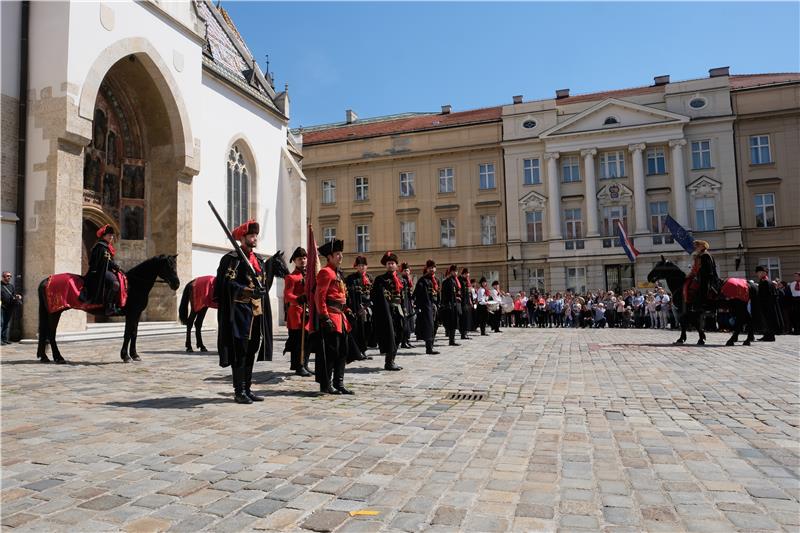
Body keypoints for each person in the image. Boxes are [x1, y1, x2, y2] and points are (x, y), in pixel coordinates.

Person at [215, 220, 270, 404]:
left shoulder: (258, 260)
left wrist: (262, 290)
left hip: (256, 311)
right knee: (240, 351)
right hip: (239, 312)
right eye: (251, 235)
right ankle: (239, 391)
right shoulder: (232, 259)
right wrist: (247, 290)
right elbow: (226, 284)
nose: (255, 238)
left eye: (255, 235)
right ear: (242, 238)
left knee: (252, 349)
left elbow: (263, 281)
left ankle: (247, 388)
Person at [313, 239, 354, 394]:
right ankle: (326, 384)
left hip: (341, 317)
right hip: (331, 317)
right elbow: (320, 297)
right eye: (337, 254)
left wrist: (347, 309)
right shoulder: (325, 272)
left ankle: (339, 382)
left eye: (340, 254)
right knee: (331, 353)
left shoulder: (338, 273)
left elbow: (342, 295)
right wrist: (324, 317)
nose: (340, 256)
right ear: (329, 257)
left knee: (342, 352)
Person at [370, 251, 404, 371]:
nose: (390, 265)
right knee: (390, 336)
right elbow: (375, 296)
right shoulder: (380, 279)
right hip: (386, 312)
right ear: (386, 265)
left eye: (392, 263)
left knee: (399, 334)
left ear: (396, 265)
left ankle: (392, 360)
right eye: (388, 263)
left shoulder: (400, 280)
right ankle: (389, 362)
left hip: (398, 311)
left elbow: (402, 296)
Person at [80, 224, 121, 315]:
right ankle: (109, 306)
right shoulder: (100, 247)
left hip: (105, 271)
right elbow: (102, 262)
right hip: (98, 272)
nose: (111, 237)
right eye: (109, 235)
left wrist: (115, 267)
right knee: (115, 284)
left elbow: (108, 261)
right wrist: (114, 266)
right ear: (104, 236)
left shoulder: (106, 247)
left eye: (112, 235)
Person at [283, 247, 312, 377]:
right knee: (297, 340)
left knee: (307, 340)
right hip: (296, 313)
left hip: (308, 312)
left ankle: (305, 364)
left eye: (304, 258)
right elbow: (287, 295)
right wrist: (298, 299)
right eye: (300, 259)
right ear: (294, 261)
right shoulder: (291, 277)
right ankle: (298, 366)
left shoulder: (310, 276)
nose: (303, 261)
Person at [345, 256, 374, 358]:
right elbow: (348, 295)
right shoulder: (350, 278)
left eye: (363, 265)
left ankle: (364, 349)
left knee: (367, 329)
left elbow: (372, 294)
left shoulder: (370, 278)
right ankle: (357, 352)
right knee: (357, 330)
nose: (361, 267)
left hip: (368, 308)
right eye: (359, 266)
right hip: (356, 308)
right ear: (356, 267)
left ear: (366, 267)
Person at [413, 260, 440, 354]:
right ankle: (429, 348)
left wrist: (438, 304)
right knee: (429, 327)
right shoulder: (423, 280)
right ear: (427, 269)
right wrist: (419, 305)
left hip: (435, 305)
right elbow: (417, 293)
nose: (432, 269)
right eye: (430, 268)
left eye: (433, 267)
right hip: (426, 306)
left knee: (435, 325)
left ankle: (431, 345)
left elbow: (438, 293)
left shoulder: (436, 280)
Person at [754, 265, 779, 342]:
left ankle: (770, 336)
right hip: (765, 305)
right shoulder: (764, 281)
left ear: (764, 273)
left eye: (758, 273)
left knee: (768, 320)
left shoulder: (766, 282)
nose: (757, 274)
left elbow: (768, 295)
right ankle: (766, 335)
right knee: (766, 320)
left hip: (767, 305)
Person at [440, 265, 462, 346]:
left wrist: (457, 296)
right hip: (449, 305)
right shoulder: (447, 281)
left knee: (454, 323)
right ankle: (451, 340)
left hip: (455, 304)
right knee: (450, 323)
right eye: (454, 271)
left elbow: (456, 292)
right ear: (451, 272)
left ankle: (452, 339)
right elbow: (445, 294)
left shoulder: (455, 281)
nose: (456, 273)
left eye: (456, 271)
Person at [1, 272, 22, 345]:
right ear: (3, 277)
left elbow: (13, 295)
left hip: (9, 307)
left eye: (10, 276)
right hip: (1, 307)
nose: (9, 277)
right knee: (1, 323)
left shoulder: (11, 286)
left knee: (6, 324)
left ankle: (4, 339)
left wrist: (17, 296)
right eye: (7, 276)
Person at [399, 263, 415, 348]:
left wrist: (412, 301)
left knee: (409, 322)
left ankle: (407, 340)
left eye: (408, 270)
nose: (407, 272)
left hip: (408, 303)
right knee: (405, 323)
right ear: (402, 271)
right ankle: (403, 342)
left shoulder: (409, 280)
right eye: (405, 270)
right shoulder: (401, 280)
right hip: (403, 303)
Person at [457, 268, 472, 339]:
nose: (467, 275)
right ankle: (463, 333)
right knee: (462, 318)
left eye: (468, 273)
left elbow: (468, 293)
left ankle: (465, 332)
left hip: (466, 302)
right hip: (461, 302)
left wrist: (470, 301)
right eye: (466, 273)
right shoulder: (459, 280)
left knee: (466, 317)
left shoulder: (467, 281)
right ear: (463, 274)